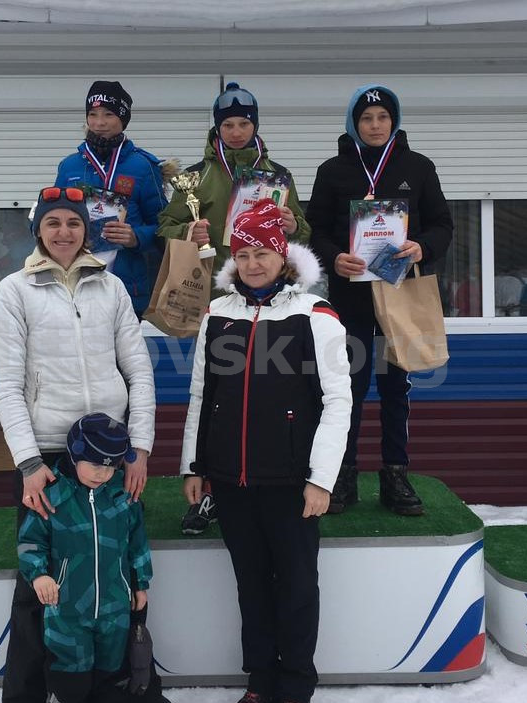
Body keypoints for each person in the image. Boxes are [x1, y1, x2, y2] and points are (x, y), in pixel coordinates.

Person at [180, 199, 352, 703]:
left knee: (296, 587)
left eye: (263, 253)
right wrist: (194, 465)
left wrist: (321, 479)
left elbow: (338, 402)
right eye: (243, 254)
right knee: (250, 584)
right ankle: (260, 681)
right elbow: (201, 394)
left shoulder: (314, 314)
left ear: (283, 256)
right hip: (230, 479)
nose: (253, 264)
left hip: (291, 480)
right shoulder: (217, 314)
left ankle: (295, 686)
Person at [0, 185, 156, 703]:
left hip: (109, 452)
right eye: (53, 222)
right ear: (38, 229)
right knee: (38, 583)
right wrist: (28, 462)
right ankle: (27, 695)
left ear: (87, 229)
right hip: (47, 456)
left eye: (74, 222)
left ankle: (126, 687)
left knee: (115, 571)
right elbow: (6, 383)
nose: (64, 232)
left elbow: (139, 370)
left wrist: (139, 448)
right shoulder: (14, 290)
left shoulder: (112, 286)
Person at [158, 81, 311, 535]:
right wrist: (188, 232)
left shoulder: (279, 176)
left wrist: (293, 224)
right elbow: (166, 224)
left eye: (245, 123)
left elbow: (303, 232)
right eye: (228, 125)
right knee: (215, 395)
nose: (237, 132)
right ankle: (210, 490)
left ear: (255, 125)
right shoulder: (197, 177)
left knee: (268, 392)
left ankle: (265, 484)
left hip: (272, 303)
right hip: (219, 301)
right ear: (217, 129)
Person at [307, 84, 453, 516]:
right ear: (354, 123)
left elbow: (443, 224)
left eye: (383, 117)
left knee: (395, 387)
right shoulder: (332, 170)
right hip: (350, 298)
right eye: (367, 118)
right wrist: (334, 257)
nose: (375, 125)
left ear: (394, 121)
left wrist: (422, 247)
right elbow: (315, 230)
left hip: (400, 296)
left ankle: (395, 474)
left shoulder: (418, 167)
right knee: (346, 387)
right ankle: (342, 474)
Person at [18, 412, 152, 703]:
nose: (102, 474)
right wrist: (39, 575)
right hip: (67, 610)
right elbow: (30, 542)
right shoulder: (53, 496)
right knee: (71, 684)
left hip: (115, 609)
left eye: (110, 467)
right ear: (74, 455)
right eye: (94, 465)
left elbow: (137, 542)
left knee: (111, 678)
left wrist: (140, 583)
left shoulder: (123, 496)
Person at [56, 80, 170, 317]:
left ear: (123, 119)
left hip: (127, 287)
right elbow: (51, 217)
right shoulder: (69, 166)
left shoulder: (143, 166)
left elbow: (164, 226)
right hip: (75, 283)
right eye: (93, 114)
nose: (99, 123)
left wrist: (135, 237)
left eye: (108, 114)